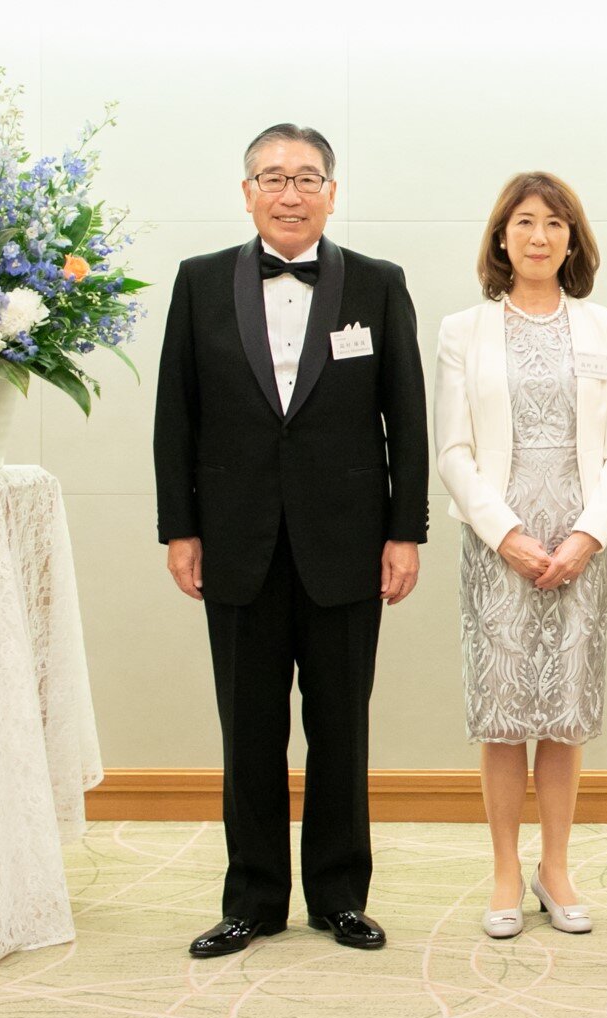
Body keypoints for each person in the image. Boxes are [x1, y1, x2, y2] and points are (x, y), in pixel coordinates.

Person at [153, 123, 427, 957]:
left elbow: (406, 418)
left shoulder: (377, 284)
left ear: (332, 193)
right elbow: (177, 414)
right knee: (248, 728)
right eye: (272, 177)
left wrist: (403, 532)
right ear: (246, 193)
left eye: (307, 177)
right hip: (234, 542)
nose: (290, 192)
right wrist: (180, 527)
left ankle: (340, 895)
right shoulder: (199, 282)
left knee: (341, 727)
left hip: (346, 544)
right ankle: (253, 899)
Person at [434, 172, 607, 939]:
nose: (539, 236)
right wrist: (508, 535)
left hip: (582, 541)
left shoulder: (605, 329)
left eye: (555, 223)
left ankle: (556, 867)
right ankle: (503, 869)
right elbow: (453, 449)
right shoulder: (464, 330)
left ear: (572, 239)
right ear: (500, 237)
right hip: (500, 541)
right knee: (502, 710)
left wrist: (587, 533)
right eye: (524, 222)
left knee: (563, 709)